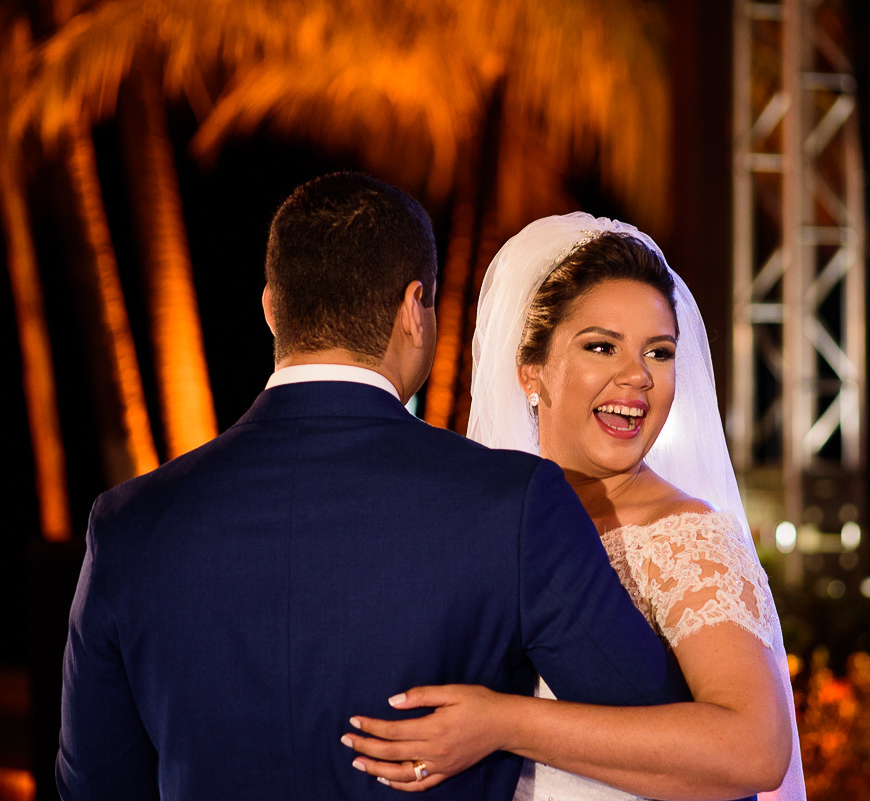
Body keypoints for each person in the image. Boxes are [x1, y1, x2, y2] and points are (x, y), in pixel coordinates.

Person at [56, 178, 690, 801]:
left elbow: (93, 784)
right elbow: (667, 747)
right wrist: (505, 721)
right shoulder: (513, 502)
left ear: (272, 308)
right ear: (415, 309)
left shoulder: (127, 523)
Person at [343, 213, 806, 800]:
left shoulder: (684, 538)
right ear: (531, 371)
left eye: (659, 353)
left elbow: (756, 749)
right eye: (602, 346)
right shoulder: (487, 521)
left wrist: (501, 723)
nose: (637, 375)